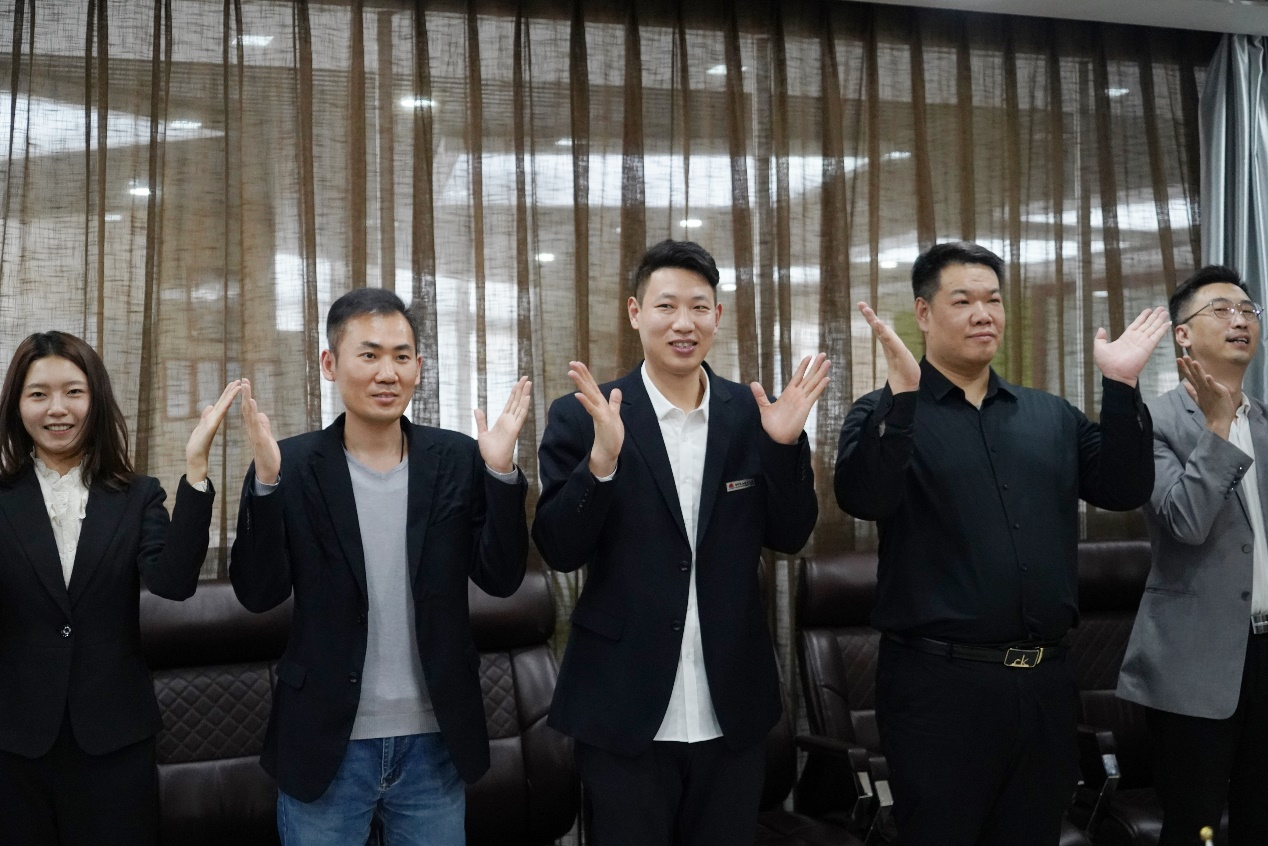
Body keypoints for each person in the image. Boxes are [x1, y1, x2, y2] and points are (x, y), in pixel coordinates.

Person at [835, 241, 1169, 845]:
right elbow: (864, 497)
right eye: (962, 300)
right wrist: (903, 401)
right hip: (938, 687)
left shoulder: (1051, 416)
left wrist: (1121, 385)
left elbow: (1124, 488)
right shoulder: (882, 413)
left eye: (993, 300)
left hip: (1045, 684)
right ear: (924, 313)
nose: (982, 314)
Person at [533, 239, 829, 846]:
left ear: (717, 316)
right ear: (635, 312)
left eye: (698, 307)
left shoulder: (752, 414)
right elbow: (559, 550)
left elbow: (791, 535)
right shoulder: (585, 415)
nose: (683, 323)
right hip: (622, 708)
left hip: (731, 708)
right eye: (666, 306)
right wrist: (601, 463)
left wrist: (782, 448)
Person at [230, 287, 531, 845]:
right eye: (368, 355)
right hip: (326, 739)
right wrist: (267, 486)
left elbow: (501, 577)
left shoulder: (457, 459)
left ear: (419, 367)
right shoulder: (290, 464)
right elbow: (258, 592)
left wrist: (501, 474)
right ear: (330, 364)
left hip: (435, 739)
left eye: (401, 356)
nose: (387, 373)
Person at [0, 331, 240, 845]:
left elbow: (173, 583)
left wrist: (196, 468)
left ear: (97, 400)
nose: (57, 408)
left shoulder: (136, 495)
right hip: (13, 741)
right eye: (38, 393)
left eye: (74, 392)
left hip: (115, 739)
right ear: (17, 406)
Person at [1117, 265, 1268, 845]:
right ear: (1182, 334)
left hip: (1264, 652)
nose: (1240, 320)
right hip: (1194, 662)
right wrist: (1217, 426)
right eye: (1221, 310)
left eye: (1248, 310)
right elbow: (1185, 521)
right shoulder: (1150, 422)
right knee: (1194, 828)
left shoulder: (1265, 422)